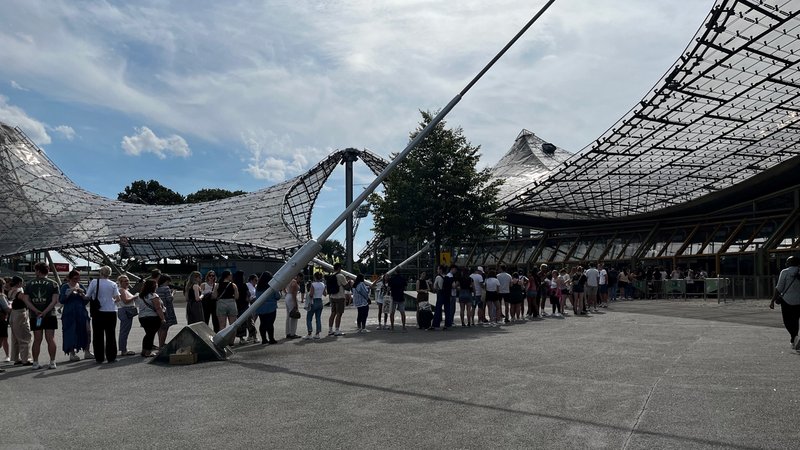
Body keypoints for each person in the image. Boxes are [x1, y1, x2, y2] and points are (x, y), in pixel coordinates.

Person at [23, 262, 60, 369]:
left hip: (36, 316)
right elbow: (54, 301)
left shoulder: (29, 284)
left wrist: (37, 311)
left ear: (38, 271)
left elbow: (26, 300)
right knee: (50, 338)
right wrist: (45, 311)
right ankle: (52, 362)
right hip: (50, 314)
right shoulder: (53, 284)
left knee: (37, 339)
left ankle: (35, 363)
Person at [85, 266, 121, 364]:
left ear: (100, 272)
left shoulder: (94, 282)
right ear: (109, 274)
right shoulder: (113, 284)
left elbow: (87, 296)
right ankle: (111, 357)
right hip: (111, 311)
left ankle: (99, 357)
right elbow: (118, 298)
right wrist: (111, 300)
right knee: (111, 335)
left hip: (98, 312)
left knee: (98, 335)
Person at [59, 269, 90, 362]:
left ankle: (87, 351)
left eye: (78, 278)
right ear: (70, 278)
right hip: (69, 312)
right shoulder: (65, 286)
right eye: (75, 278)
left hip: (81, 311)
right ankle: (72, 353)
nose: (77, 280)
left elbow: (86, 300)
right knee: (71, 332)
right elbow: (62, 300)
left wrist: (82, 294)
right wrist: (70, 292)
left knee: (87, 331)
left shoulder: (80, 286)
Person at [770, 256, 800, 351]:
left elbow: (779, 288)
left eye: (787, 261)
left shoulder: (785, 272)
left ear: (790, 263)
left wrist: (772, 300)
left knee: (788, 321)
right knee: (796, 320)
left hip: (787, 301)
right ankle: (794, 340)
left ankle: (795, 337)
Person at [136, 279, 165, 357]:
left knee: (148, 334)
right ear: (153, 286)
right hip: (152, 317)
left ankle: (144, 350)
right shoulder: (153, 295)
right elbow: (158, 308)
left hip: (142, 317)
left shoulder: (141, 295)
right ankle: (148, 352)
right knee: (151, 335)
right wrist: (162, 318)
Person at [7, 276, 31, 365]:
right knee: (25, 336)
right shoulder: (19, 292)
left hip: (13, 314)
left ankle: (16, 358)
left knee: (15, 337)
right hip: (21, 313)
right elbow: (26, 301)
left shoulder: (10, 291)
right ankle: (26, 359)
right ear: (19, 283)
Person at [254, 271, 279, 345]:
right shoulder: (272, 287)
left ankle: (264, 339)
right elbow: (277, 296)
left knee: (262, 323)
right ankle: (271, 339)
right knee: (270, 324)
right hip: (271, 307)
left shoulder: (258, 287)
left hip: (261, 307)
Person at [116, 275, 139, 356]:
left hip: (126, 311)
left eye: (127, 280)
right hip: (125, 311)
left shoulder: (125, 290)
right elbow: (125, 301)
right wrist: (135, 296)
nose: (127, 282)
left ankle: (123, 348)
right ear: (120, 282)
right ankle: (123, 349)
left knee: (125, 330)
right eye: (124, 281)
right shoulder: (121, 290)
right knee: (124, 331)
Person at [233, 270, 257, 344]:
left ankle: (241, 338)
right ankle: (254, 337)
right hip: (245, 305)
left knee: (240, 323)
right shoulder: (243, 285)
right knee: (250, 321)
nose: (244, 277)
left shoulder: (234, 285)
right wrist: (248, 299)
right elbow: (248, 294)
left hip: (237, 305)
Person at [156, 274, 178, 348]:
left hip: (158, 310)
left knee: (160, 328)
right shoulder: (166, 288)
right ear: (166, 281)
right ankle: (162, 345)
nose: (169, 283)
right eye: (168, 281)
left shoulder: (156, 288)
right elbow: (169, 299)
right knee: (165, 328)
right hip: (167, 310)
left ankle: (160, 343)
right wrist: (173, 293)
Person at [327, 263, 348, 336]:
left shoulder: (331, 276)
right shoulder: (341, 276)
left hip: (332, 296)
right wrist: (349, 281)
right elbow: (346, 286)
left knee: (333, 313)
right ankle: (337, 330)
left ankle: (330, 329)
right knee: (339, 314)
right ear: (339, 268)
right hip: (340, 296)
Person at [304, 272, 326, 340]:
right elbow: (325, 294)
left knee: (309, 318)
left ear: (314, 277)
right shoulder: (323, 284)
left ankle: (309, 333)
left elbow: (311, 294)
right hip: (320, 301)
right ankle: (317, 334)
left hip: (314, 301)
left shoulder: (313, 284)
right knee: (318, 318)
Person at [284, 273, 302, 340]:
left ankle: (288, 332)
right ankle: (292, 333)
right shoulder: (294, 282)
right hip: (291, 297)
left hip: (287, 296)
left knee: (288, 316)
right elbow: (294, 295)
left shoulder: (289, 280)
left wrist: (285, 292)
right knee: (294, 316)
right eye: (300, 278)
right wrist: (296, 305)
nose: (300, 280)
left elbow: (283, 286)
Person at [0, 278, 10, 362]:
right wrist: (11, 305)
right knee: (2, 339)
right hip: (1, 320)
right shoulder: (1, 296)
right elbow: (7, 309)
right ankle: (7, 355)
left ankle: (7, 355)